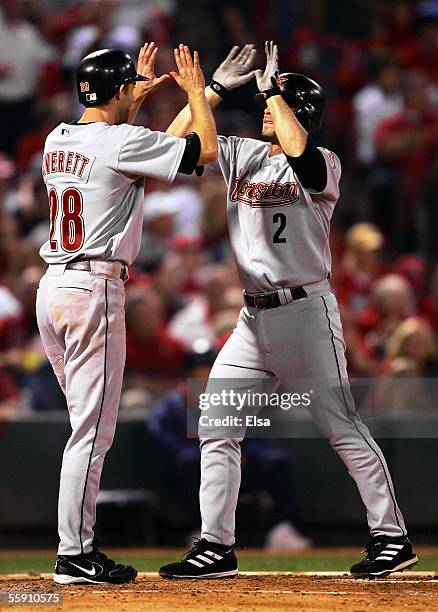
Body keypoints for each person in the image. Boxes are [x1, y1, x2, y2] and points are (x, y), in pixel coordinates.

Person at [159, 42, 417, 580]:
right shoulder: (244, 155)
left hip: (305, 311)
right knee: (217, 422)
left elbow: (300, 155)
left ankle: (392, 537)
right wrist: (211, 91)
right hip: (252, 319)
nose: (262, 112)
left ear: (295, 111)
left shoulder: (324, 162)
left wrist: (275, 91)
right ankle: (215, 544)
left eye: (272, 105)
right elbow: (172, 144)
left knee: (341, 424)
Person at [36, 42, 217, 585]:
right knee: (91, 433)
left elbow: (121, 141)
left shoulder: (57, 137)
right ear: (119, 92)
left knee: (83, 429)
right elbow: (201, 153)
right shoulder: (119, 141)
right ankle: (75, 553)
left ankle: (76, 547)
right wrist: (196, 93)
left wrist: (128, 95)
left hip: (53, 290)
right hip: (94, 288)